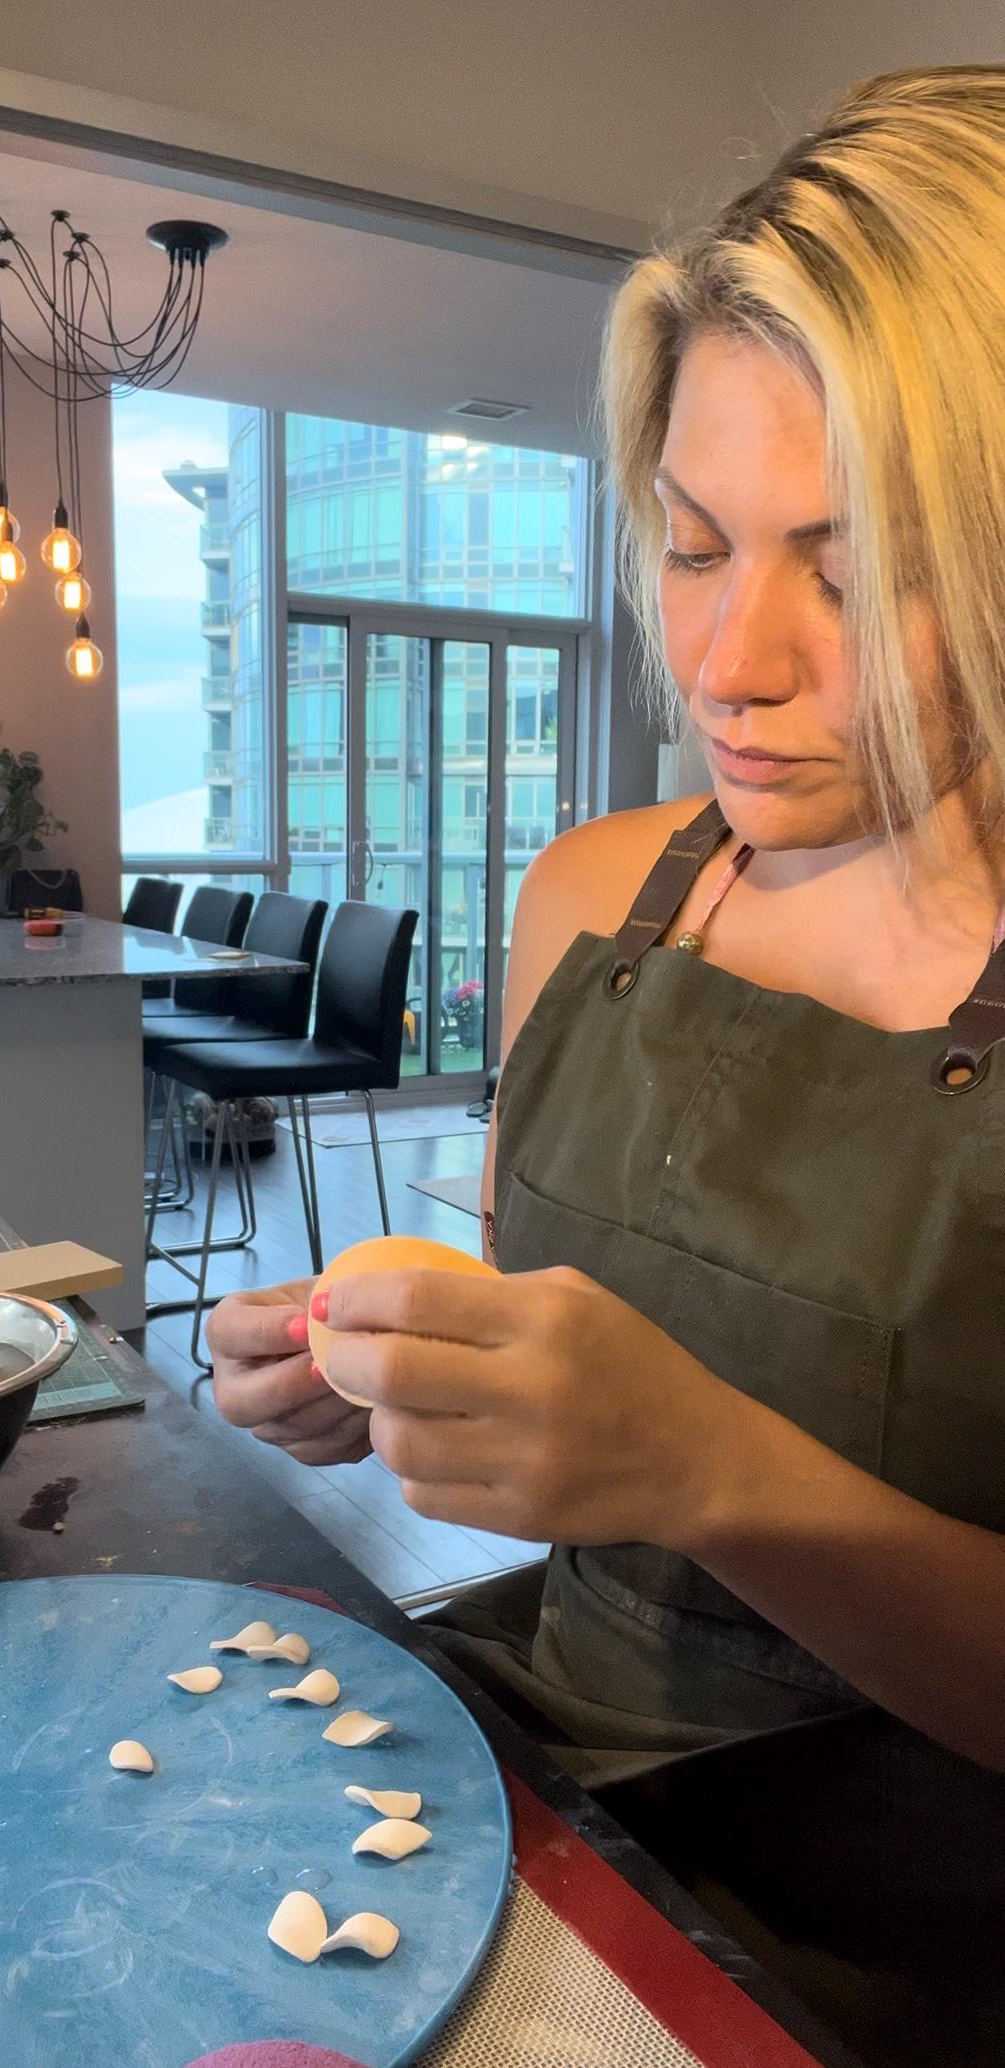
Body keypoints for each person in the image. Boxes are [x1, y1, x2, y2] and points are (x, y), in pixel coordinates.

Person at [209, 70, 1005, 2010]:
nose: (729, 664)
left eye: (859, 567)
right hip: (547, 1802)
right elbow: (573, 1315)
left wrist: (706, 1465)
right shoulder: (593, 897)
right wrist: (406, 1372)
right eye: (693, 543)